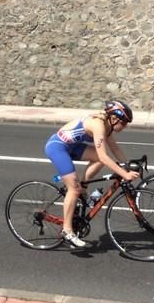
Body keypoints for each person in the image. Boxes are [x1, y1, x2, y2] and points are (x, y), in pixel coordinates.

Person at [44, 100, 140, 248]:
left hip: (73, 146)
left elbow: (115, 149)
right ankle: (67, 231)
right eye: (124, 122)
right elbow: (104, 156)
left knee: (93, 166)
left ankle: (83, 188)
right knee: (73, 189)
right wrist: (124, 174)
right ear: (114, 119)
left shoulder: (108, 126)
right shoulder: (98, 125)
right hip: (58, 147)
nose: (125, 126)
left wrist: (126, 165)